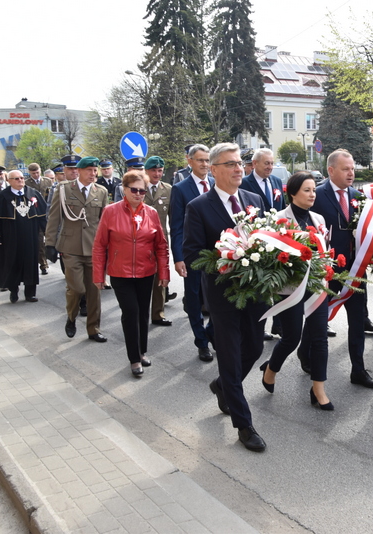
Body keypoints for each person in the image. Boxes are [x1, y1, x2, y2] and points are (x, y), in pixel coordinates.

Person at [183, 142, 268, 452]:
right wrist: (228, 258)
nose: (238, 169)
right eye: (230, 164)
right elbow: (192, 254)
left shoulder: (254, 198)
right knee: (230, 357)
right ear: (214, 169)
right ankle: (244, 425)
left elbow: (267, 238)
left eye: (240, 163)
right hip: (222, 295)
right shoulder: (199, 206)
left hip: (255, 292)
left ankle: (222, 387)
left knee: (256, 347)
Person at [299, 149, 373, 389]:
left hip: (355, 270)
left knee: (357, 321)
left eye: (353, 168)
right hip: (327, 271)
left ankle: (358, 369)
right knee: (318, 318)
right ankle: (304, 353)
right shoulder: (318, 194)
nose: (351, 172)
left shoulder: (359, 196)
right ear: (331, 170)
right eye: (346, 169)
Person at [260, 172, 333, 410]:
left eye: (314, 190)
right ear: (292, 193)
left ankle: (318, 389)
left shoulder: (319, 219)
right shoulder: (279, 219)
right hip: (289, 289)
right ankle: (271, 369)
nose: (312, 194)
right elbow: (270, 258)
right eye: (306, 190)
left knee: (320, 339)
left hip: (316, 287)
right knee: (291, 338)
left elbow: (325, 253)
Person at [93, 171, 170, 377]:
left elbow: (161, 245)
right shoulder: (110, 212)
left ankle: (142, 351)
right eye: (134, 190)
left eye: (142, 191)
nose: (138, 194)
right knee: (131, 312)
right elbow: (100, 245)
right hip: (121, 273)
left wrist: (164, 272)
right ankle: (134, 359)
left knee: (143, 313)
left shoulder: (151, 213)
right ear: (124, 189)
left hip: (146, 271)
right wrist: (98, 275)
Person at [45, 156, 109, 342]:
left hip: (94, 249)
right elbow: (54, 217)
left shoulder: (101, 191)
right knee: (77, 289)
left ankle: (93, 329)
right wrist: (50, 243)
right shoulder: (64, 189)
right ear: (79, 171)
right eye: (89, 170)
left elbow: (104, 222)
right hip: (71, 247)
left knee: (94, 290)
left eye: (95, 170)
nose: (93, 173)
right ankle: (71, 317)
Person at [170, 144, 215, 362]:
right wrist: (178, 258)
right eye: (200, 160)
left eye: (207, 160)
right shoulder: (180, 189)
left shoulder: (216, 183)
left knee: (218, 298)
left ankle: (212, 332)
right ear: (189, 161)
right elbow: (176, 226)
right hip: (192, 255)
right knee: (195, 300)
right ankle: (202, 342)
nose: (205, 165)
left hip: (218, 254)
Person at [240, 147, 286, 340]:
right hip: (256, 242)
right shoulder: (244, 183)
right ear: (255, 164)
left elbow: (282, 208)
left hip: (276, 241)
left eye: (272, 163)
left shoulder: (276, 181)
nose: (270, 167)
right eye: (266, 163)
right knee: (261, 286)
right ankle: (259, 326)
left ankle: (277, 324)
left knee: (278, 283)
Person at [0, 170, 48, 303]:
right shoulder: (1, 197)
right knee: (12, 263)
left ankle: (30, 293)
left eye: (21, 178)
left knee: (31, 263)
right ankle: (13, 291)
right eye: (16, 178)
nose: (20, 180)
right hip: (9, 238)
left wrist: (48, 234)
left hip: (30, 237)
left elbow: (43, 217)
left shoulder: (33, 194)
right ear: (8, 181)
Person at [142, 156, 175, 326]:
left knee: (161, 278)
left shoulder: (168, 189)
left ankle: (158, 314)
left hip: (161, 241)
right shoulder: (138, 188)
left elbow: (173, 218)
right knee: (141, 279)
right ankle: (140, 312)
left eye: (160, 170)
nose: (157, 174)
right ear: (146, 171)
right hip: (140, 242)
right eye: (153, 170)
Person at [24, 163, 53, 275]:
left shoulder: (47, 181)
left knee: (49, 237)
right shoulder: (27, 183)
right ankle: (43, 264)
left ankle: (51, 255)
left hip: (47, 213)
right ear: (30, 173)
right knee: (39, 240)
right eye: (33, 173)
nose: (36, 175)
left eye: (37, 172)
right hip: (35, 214)